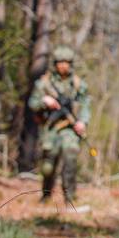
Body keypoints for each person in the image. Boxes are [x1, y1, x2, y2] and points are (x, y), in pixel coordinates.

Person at [27, 45, 91, 204]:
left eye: (66, 62)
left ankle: (70, 198)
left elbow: (85, 105)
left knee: (70, 160)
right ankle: (46, 196)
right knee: (48, 166)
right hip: (51, 128)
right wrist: (44, 101)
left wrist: (82, 121)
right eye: (60, 62)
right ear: (54, 64)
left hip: (70, 129)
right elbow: (32, 104)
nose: (63, 66)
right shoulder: (43, 84)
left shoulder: (78, 85)